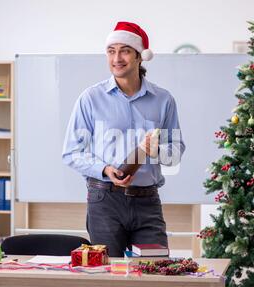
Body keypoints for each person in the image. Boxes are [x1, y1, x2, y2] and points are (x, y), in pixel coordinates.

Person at [62, 21, 185, 257]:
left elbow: (176, 151)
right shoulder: (90, 98)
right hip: (104, 200)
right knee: (107, 277)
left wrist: (156, 151)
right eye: (111, 51)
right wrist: (105, 169)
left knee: (155, 272)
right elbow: (72, 152)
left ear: (140, 57)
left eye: (125, 51)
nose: (117, 58)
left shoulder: (163, 100)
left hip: (147, 200)